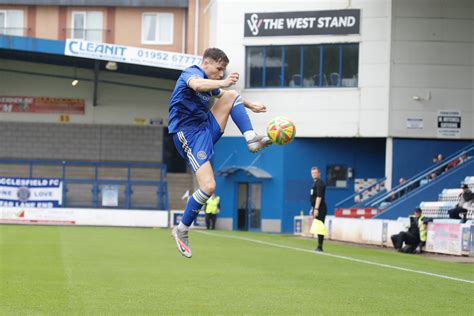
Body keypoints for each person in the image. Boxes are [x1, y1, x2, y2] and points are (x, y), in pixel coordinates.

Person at [169, 48, 272, 258]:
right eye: (219, 69)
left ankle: (251, 138)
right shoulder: (191, 73)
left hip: (205, 127)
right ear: (206, 63)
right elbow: (198, 85)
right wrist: (223, 82)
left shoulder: (212, 83)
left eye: (223, 70)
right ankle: (181, 229)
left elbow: (225, 94)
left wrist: (251, 106)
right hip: (188, 135)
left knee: (232, 95)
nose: (221, 74)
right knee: (209, 186)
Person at [309, 166, 327, 252]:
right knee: (318, 227)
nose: (314, 174)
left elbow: (319, 197)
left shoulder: (320, 183)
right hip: (316, 207)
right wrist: (312, 208)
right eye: (312, 173)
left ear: (319, 173)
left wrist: (316, 209)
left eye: (315, 173)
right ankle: (319, 246)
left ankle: (320, 246)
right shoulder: (315, 183)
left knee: (320, 227)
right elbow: (314, 197)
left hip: (321, 208)